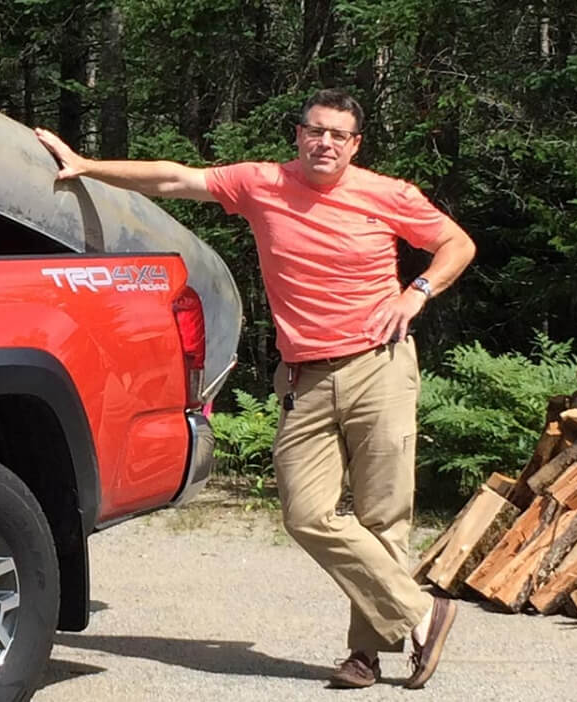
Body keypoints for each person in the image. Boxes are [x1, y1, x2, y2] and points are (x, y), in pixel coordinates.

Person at [35, 88, 476, 689]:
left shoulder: (388, 194)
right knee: (305, 513)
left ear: (355, 145)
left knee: (382, 515)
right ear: (298, 135)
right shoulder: (261, 182)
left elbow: (457, 243)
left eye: (338, 135)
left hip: (380, 366)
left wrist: (415, 293)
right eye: (315, 131)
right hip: (305, 376)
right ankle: (424, 611)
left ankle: (367, 655)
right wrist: (87, 166)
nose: (325, 143)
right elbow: (173, 180)